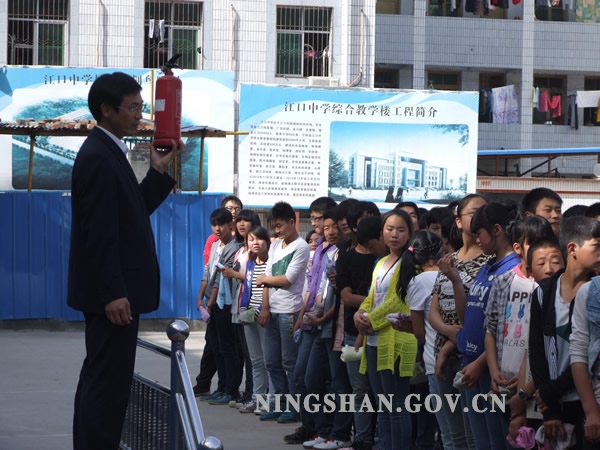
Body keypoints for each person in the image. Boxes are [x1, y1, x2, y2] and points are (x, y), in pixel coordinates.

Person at [68, 72, 182, 450]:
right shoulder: (98, 156)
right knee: (107, 386)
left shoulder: (111, 151)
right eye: (132, 108)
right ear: (107, 110)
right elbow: (99, 234)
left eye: (141, 106)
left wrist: (158, 169)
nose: (139, 115)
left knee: (104, 380)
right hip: (113, 299)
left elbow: (131, 212)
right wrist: (113, 293)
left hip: (117, 294)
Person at [483, 216, 557, 444]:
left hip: (535, 384)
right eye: (532, 242)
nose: (539, 248)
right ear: (518, 248)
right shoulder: (504, 281)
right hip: (504, 379)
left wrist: (526, 387)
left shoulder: (549, 285)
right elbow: (490, 328)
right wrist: (494, 370)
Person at [530, 216, 600, 448]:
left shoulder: (594, 293)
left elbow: (588, 355)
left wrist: (551, 391)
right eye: (597, 246)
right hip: (554, 401)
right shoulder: (544, 292)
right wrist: (549, 408)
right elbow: (536, 350)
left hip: (587, 399)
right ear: (572, 249)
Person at [354, 209, 417, 450]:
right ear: (382, 232)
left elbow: (398, 302)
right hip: (374, 340)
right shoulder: (380, 263)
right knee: (384, 407)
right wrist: (360, 314)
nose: (395, 234)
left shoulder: (411, 263)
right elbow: (372, 297)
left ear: (409, 234)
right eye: (390, 229)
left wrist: (368, 320)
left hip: (396, 340)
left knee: (396, 406)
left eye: (401, 230)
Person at [429, 193, 488, 450]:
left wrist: (455, 340)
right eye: (474, 212)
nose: (480, 217)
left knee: (473, 436)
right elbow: (434, 309)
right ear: (458, 221)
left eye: (485, 212)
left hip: (471, 357)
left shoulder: (489, 261)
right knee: (453, 436)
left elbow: (479, 317)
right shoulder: (449, 258)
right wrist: (446, 332)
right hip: (442, 353)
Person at [393, 230, 449, 450]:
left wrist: (408, 326)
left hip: (433, 356)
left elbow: (419, 332)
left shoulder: (417, 282)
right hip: (459, 352)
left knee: (448, 431)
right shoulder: (453, 275)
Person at [256, 202, 310, 422]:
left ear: (292, 221)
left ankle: (294, 407)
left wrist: (265, 279)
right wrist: (265, 307)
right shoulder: (275, 245)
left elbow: (288, 279)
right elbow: (267, 279)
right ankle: (277, 405)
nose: (277, 230)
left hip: (289, 311)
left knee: (290, 363)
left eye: (279, 225)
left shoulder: (301, 247)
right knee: (271, 362)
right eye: (274, 226)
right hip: (272, 310)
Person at [197, 208, 244, 405]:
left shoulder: (235, 247)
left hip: (224, 303)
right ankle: (221, 387)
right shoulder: (215, 244)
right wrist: (200, 298)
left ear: (230, 225)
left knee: (228, 347)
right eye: (214, 225)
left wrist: (209, 304)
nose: (217, 229)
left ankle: (231, 390)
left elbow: (219, 279)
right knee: (216, 347)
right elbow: (207, 272)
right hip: (211, 302)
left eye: (221, 225)